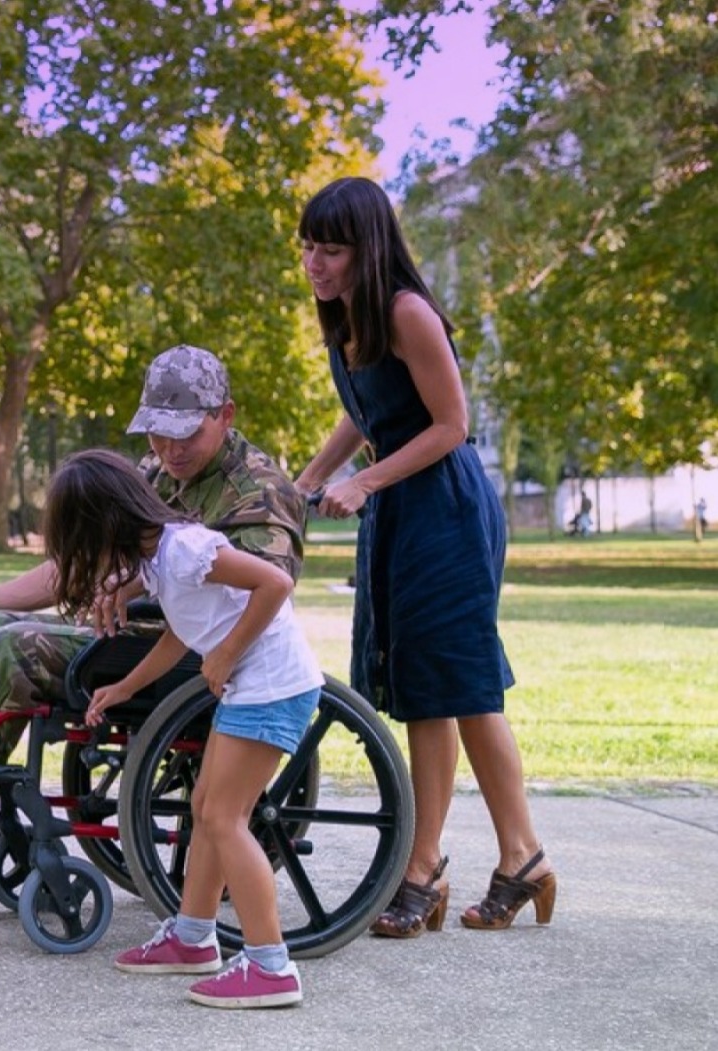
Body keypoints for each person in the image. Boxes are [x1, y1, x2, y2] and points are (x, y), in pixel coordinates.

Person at [0, 345, 308, 877]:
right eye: (157, 432)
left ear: (226, 415)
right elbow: (76, 566)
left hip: (195, 655)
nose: (170, 449)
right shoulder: (154, 472)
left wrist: (130, 586)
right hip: (124, 637)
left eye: (187, 433)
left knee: (13, 649)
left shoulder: (259, 492)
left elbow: (269, 593)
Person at [294, 175, 556, 938]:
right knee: (456, 690)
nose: (316, 262)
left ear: (367, 248)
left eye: (332, 248)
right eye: (308, 246)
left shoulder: (406, 311)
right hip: (404, 510)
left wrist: (364, 480)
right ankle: (522, 856)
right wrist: (308, 477)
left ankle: (424, 864)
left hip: (443, 507)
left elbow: (450, 424)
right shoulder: (347, 317)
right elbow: (366, 410)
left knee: (441, 688)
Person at [50, 449, 320, 1008]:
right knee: (206, 806)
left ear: (104, 525)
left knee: (225, 817)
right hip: (252, 685)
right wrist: (125, 686)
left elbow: (274, 582)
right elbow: (181, 630)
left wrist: (225, 654)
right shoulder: (158, 559)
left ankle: (272, 966)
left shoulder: (185, 548)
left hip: (272, 685)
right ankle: (193, 938)